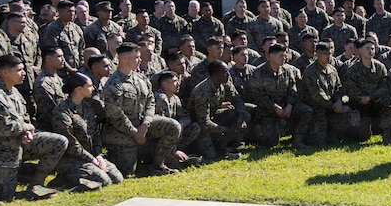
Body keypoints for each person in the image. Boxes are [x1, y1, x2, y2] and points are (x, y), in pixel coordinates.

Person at [0, 54, 68, 201]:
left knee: (59, 142)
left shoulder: (14, 91)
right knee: (3, 196)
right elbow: (3, 127)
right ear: (5, 72)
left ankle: (36, 184)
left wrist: (27, 132)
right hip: (2, 152)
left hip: (21, 143)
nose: (24, 73)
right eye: (19, 70)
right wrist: (26, 127)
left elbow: (24, 116)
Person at [101, 43, 183, 176]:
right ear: (125, 59)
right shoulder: (113, 84)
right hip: (122, 133)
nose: (140, 60)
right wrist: (135, 133)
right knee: (127, 172)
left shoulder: (141, 78)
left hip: (143, 126)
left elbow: (151, 102)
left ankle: (157, 164)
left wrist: (145, 124)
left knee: (173, 126)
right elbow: (116, 116)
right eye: (137, 57)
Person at [51, 72, 124, 190]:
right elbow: (71, 144)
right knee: (104, 180)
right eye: (89, 86)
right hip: (72, 159)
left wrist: (98, 155)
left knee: (117, 178)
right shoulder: (62, 112)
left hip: (91, 156)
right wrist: (92, 159)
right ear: (79, 89)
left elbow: (94, 134)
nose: (93, 88)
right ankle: (65, 178)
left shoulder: (87, 107)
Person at [245, 43, 312, 148]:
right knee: (270, 143)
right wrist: (275, 107)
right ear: (271, 56)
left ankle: (297, 140)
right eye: (281, 56)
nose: (284, 58)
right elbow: (258, 95)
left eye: (285, 55)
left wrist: (289, 105)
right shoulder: (258, 72)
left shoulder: (288, 70)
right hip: (267, 111)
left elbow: (292, 89)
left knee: (306, 111)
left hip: (286, 107)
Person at [186, 59, 247, 159]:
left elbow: (238, 100)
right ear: (215, 74)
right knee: (210, 156)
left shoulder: (225, 83)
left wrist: (240, 118)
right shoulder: (202, 92)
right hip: (199, 126)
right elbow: (204, 123)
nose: (228, 74)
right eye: (224, 72)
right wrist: (227, 130)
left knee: (242, 114)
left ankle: (228, 143)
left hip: (214, 117)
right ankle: (196, 147)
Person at [40, 0, 85, 72]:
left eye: (73, 11)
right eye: (69, 11)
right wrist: (69, 69)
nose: (72, 14)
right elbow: (54, 52)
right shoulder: (52, 29)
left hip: (77, 70)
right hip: (61, 72)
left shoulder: (76, 28)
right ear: (60, 12)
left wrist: (81, 65)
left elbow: (82, 48)